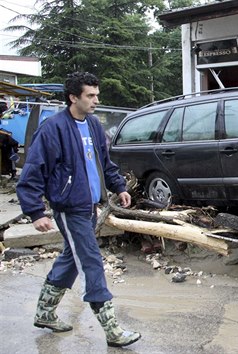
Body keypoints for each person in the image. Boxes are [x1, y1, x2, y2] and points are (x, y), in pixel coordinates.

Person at [16, 72, 141, 347]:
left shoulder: (94, 125)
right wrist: (36, 212)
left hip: (89, 206)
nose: (96, 100)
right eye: (90, 95)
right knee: (90, 260)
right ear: (74, 97)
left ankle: (45, 312)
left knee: (72, 258)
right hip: (68, 207)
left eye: (97, 94)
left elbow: (105, 162)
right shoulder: (53, 129)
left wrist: (119, 186)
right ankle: (112, 329)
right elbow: (33, 171)